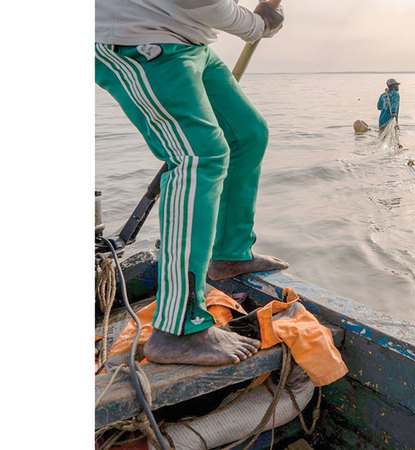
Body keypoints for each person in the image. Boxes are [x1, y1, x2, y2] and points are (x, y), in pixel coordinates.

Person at [95, 0, 289, 366]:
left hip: (190, 40)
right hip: (139, 40)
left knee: (246, 134)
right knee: (198, 156)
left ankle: (229, 253)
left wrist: (261, 18)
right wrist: (255, 25)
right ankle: (177, 327)